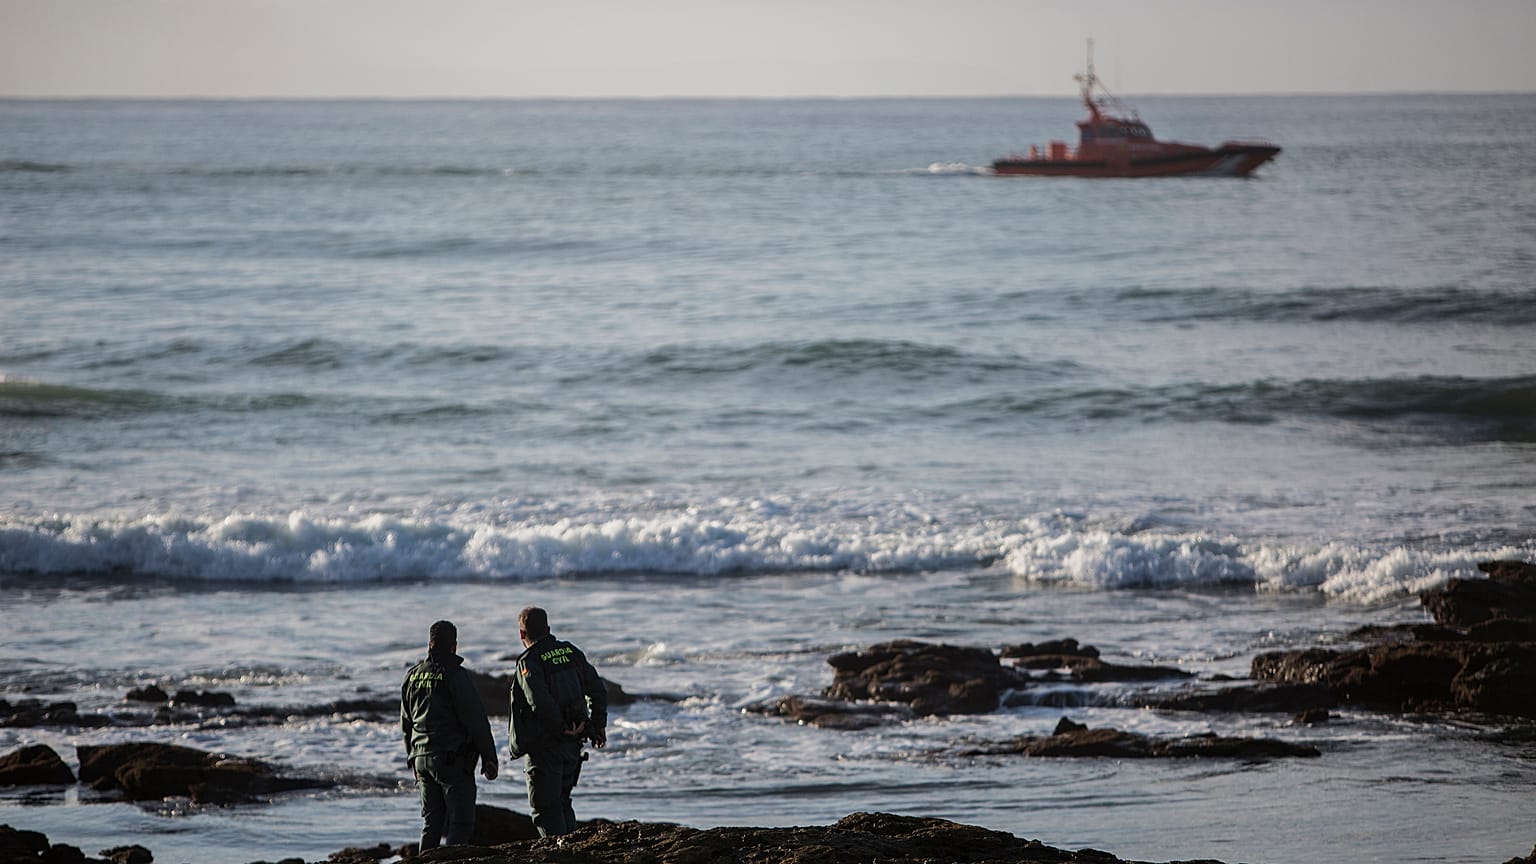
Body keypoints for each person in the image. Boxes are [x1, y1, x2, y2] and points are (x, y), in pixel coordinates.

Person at [508, 606, 607, 838]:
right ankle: (571, 851)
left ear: (522, 635)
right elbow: (597, 689)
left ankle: (560, 855)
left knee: (544, 809)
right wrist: (597, 725)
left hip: (546, 746)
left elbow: (538, 701)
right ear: (549, 629)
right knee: (562, 801)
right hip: (573, 745)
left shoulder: (528, 661)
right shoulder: (571, 652)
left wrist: (561, 728)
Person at [400, 620, 498, 851]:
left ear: (429, 644)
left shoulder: (412, 676)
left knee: (431, 824)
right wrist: (489, 757)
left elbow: (406, 723)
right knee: (460, 824)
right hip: (452, 761)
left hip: (421, 759)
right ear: (454, 646)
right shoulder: (456, 675)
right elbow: (476, 721)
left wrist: (411, 757)